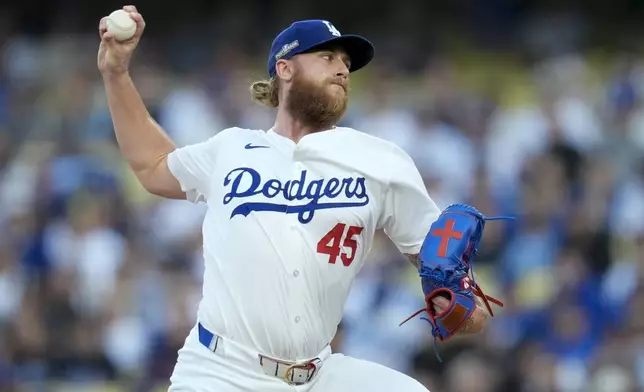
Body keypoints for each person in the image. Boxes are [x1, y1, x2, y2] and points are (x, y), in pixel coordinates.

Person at [97, 6, 488, 391]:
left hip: (318, 374)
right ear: (285, 69)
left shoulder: (380, 160)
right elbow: (153, 166)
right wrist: (116, 74)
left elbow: (451, 281)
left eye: (346, 63)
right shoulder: (233, 148)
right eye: (326, 56)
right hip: (221, 371)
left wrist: (459, 305)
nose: (342, 69)